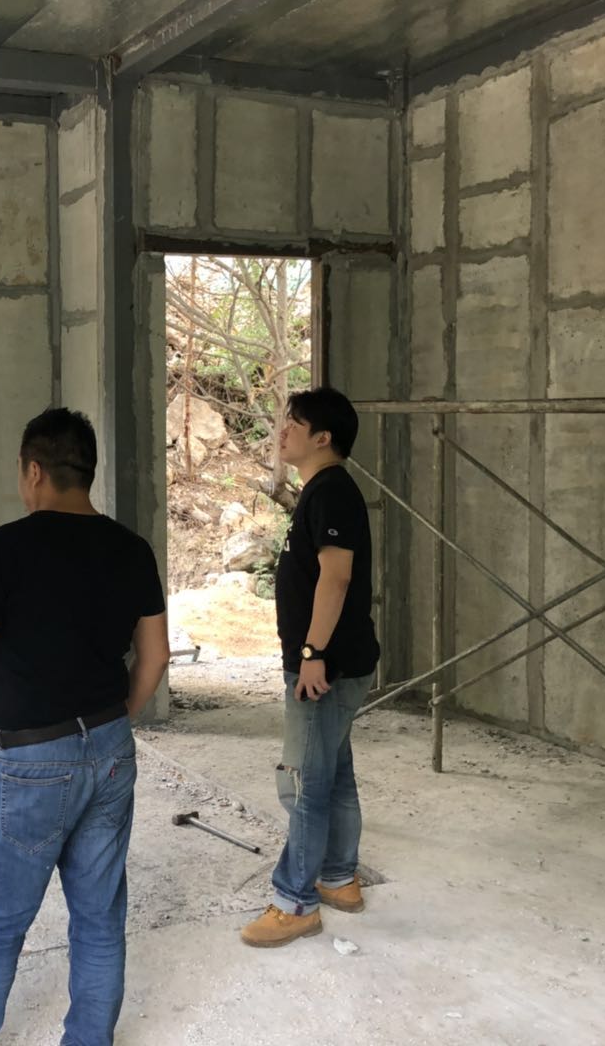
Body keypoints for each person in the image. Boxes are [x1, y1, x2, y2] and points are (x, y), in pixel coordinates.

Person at [0, 407, 169, 1046]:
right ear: (86, 471)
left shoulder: (7, 548)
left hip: (30, 762)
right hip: (110, 749)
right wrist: (112, 722)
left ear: (33, 471)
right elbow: (155, 656)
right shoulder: (132, 550)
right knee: (98, 919)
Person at [241, 386, 381, 948]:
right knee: (334, 773)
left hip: (327, 666)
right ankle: (339, 878)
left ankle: (294, 901)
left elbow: (336, 577)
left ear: (323, 438)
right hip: (335, 662)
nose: (282, 431)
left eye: (294, 424)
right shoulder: (323, 491)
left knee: (303, 784)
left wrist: (311, 654)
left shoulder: (331, 492)